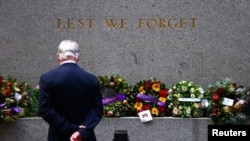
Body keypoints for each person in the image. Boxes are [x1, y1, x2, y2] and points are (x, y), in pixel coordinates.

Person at [38, 39, 103, 141]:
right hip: (84, 136)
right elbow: (97, 110)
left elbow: (45, 109)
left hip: (58, 136)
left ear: (58, 56)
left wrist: (71, 128)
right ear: (78, 57)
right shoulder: (92, 79)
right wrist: (81, 131)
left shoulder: (47, 78)